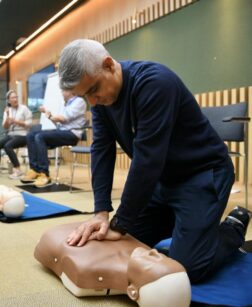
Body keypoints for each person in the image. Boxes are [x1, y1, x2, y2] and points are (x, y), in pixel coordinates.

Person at [58, 39, 251, 283]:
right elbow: (102, 150)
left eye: (93, 90)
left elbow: (147, 160)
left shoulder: (155, 83)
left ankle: (232, 227)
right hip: (162, 181)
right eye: (85, 96)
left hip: (202, 175)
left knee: (187, 268)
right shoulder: (100, 100)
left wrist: (121, 223)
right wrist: (101, 212)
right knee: (124, 244)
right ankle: (188, 225)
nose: (92, 102)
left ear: (108, 65)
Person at [34, 222, 191, 307]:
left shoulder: (88, 269)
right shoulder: (141, 250)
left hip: (60, 236)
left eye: (153, 260)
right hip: (158, 186)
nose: (155, 252)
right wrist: (102, 213)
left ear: (132, 292)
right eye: (163, 257)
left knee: (196, 265)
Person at [21, 89, 87, 187]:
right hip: (62, 131)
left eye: (64, 90)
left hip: (72, 134)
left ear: (71, 91)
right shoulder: (65, 104)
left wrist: (50, 115)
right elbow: (58, 123)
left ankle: (45, 174)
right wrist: (48, 114)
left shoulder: (79, 102)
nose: (62, 93)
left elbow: (63, 118)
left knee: (40, 137)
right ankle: (35, 170)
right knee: (31, 135)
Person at [0, 90, 32, 179]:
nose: (15, 99)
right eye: (13, 97)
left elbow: (29, 123)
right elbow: (5, 127)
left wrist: (16, 121)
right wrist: (7, 117)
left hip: (22, 135)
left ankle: (17, 169)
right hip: (10, 135)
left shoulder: (24, 108)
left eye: (16, 97)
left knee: (7, 146)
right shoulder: (8, 110)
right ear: (9, 101)